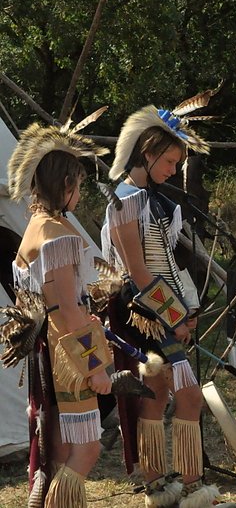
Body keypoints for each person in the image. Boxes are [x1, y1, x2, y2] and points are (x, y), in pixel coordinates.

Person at [102, 106, 232, 507]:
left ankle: (159, 487)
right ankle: (195, 489)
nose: (174, 170)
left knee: (157, 395)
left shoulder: (148, 199)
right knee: (189, 397)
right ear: (148, 152)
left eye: (178, 163)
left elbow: (168, 265)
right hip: (144, 315)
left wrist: (186, 309)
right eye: (171, 161)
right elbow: (138, 273)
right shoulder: (125, 200)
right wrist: (175, 317)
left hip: (161, 312)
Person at [8, 122, 113, 507]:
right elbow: (67, 310)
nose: (80, 194)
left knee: (58, 450)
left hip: (44, 354)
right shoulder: (59, 235)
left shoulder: (33, 228)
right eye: (79, 185)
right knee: (87, 449)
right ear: (65, 183)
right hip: (68, 352)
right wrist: (95, 366)